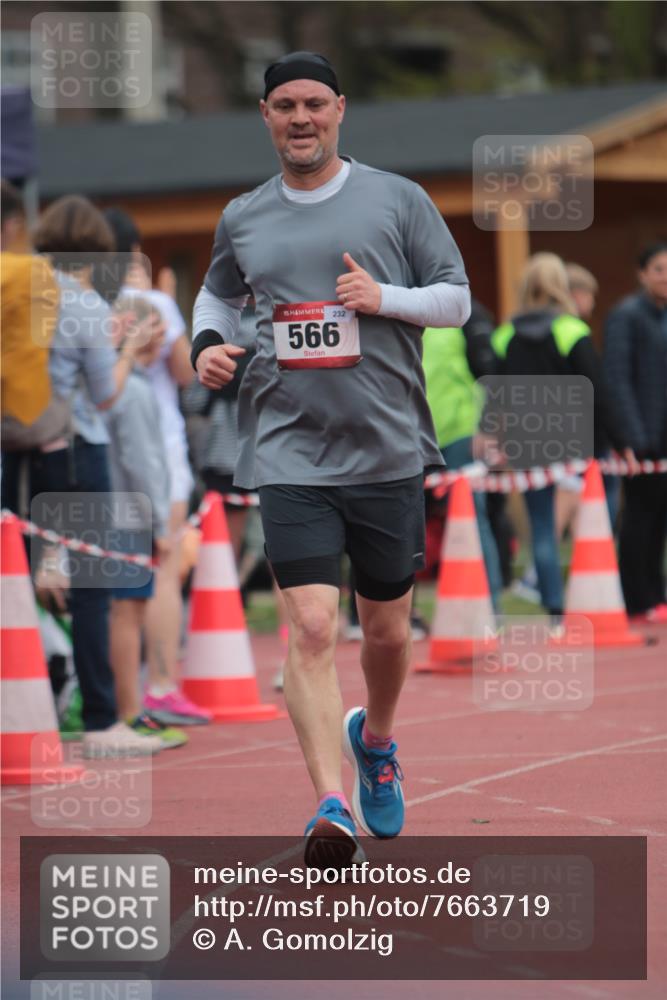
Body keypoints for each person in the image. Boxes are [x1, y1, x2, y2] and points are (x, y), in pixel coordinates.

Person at [191, 51, 470, 865]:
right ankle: (329, 802)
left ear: (340, 109)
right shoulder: (243, 215)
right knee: (311, 625)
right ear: (266, 115)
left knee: (385, 632)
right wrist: (209, 340)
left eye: (314, 103)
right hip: (285, 447)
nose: (300, 118)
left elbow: (453, 296)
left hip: (384, 446)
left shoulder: (397, 198)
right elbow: (218, 293)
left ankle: (374, 739)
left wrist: (384, 299)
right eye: (285, 105)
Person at [10, 194, 164, 757]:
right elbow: (106, 395)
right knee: (93, 587)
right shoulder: (83, 303)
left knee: (14, 579)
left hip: (16, 448)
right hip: (76, 451)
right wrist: (125, 350)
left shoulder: (17, 290)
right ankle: (101, 718)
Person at [103, 209, 208, 725]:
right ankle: (161, 686)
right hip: (156, 449)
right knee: (162, 568)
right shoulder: (156, 303)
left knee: (111, 579)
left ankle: (110, 693)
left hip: (101, 452)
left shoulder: (83, 303)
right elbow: (187, 375)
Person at [488, 252, 622, 628]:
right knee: (596, 520)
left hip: (530, 445)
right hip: (579, 446)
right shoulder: (571, 330)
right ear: (560, 286)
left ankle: (556, 613)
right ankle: (593, 598)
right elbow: (598, 391)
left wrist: (496, 438)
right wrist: (616, 438)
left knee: (542, 529)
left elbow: (495, 395)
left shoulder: (505, 334)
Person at [104, 295, 187, 749]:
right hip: (129, 515)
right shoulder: (132, 391)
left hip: (116, 512)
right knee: (127, 614)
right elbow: (143, 464)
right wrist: (159, 524)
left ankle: (124, 708)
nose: (161, 347)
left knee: (122, 614)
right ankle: (128, 712)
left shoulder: (118, 386)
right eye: (155, 335)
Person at [422, 298, 503, 612]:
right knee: (403, 523)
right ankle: (402, 615)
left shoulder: (466, 313)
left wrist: (488, 426)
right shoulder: (397, 308)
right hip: (413, 435)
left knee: (473, 518)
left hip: (459, 434)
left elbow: (490, 371)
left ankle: (490, 607)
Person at [603, 241, 667, 623]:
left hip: (665, 436)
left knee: (660, 517)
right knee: (640, 517)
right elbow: (616, 379)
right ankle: (636, 598)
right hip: (642, 438)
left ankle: (655, 593)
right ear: (642, 274)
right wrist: (629, 437)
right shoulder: (625, 317)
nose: (666, 276)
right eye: (659, 269)